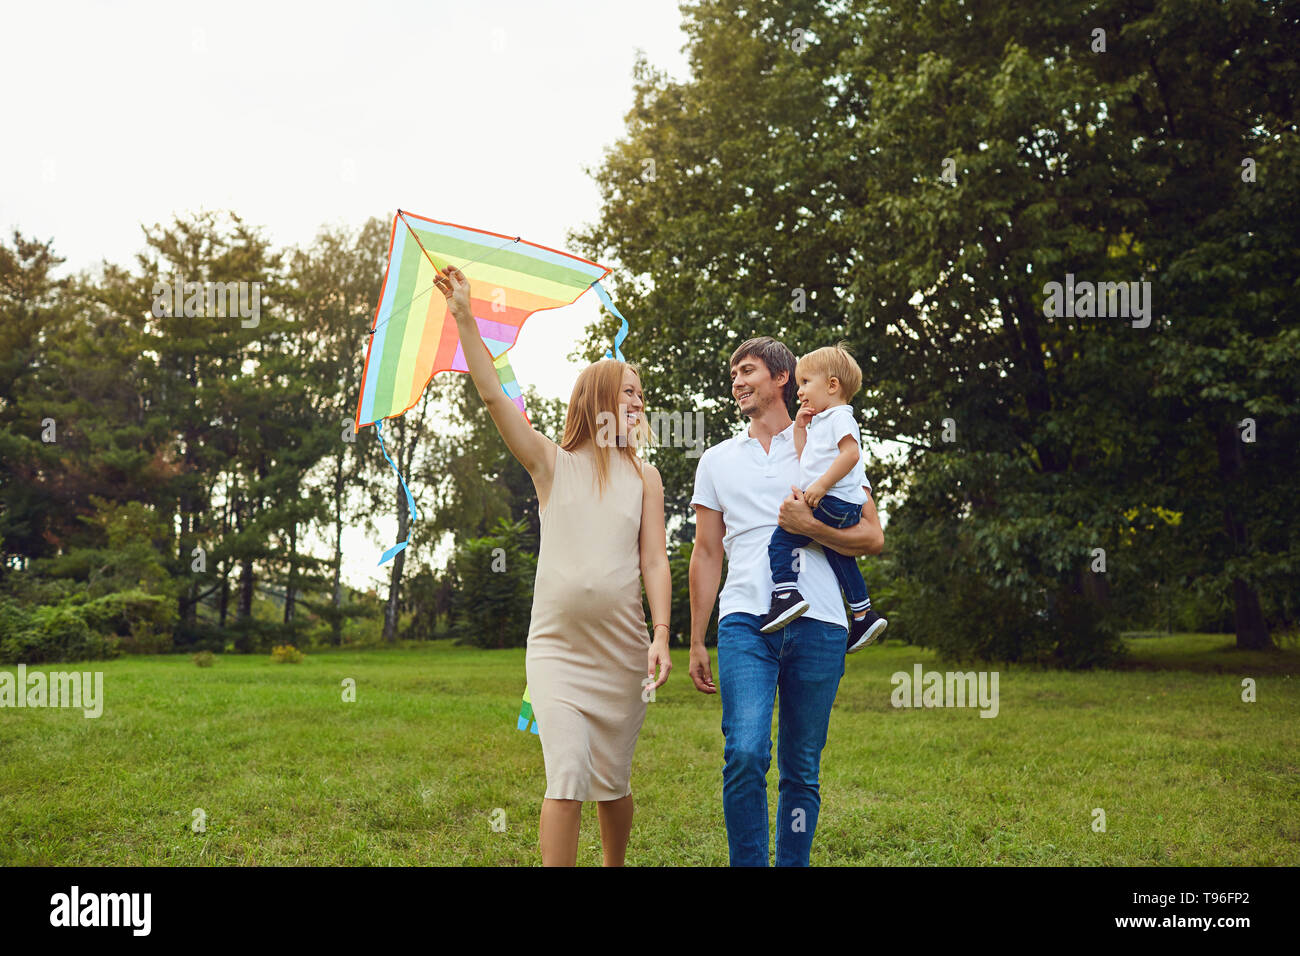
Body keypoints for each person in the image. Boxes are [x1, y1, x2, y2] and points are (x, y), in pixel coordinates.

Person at [432, 265, 672, 867]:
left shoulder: (645, 477)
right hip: (557, 650)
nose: (640, 400)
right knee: (566, 773)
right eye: (630, 390)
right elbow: (492, 394)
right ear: (596, 399)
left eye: (642, 392)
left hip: (622, 650)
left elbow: (653, 560)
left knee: (612, 782)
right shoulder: (550, 463)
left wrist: (663, 635)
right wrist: (464, 315)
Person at [688, 336, 884, 866]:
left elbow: (872, 537)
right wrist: (695, 639)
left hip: (820, 624)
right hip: (746, 622)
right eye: (732, 374)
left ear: (781, 378)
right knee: (746, 753)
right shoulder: (717, 460)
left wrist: (811, 525)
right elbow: (706, 553)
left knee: (801, 768)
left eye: (746, 370)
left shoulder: (823, 447)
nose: (736, 381)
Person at [760, 342, 888, 652]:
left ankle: (787, 594)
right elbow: (807, 459)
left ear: (832, 386)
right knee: (838, 552)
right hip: (840, 506)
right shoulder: (821, 424)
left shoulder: (840, 418)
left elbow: (852, 454)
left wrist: (820, 487)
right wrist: (801, 427)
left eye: (805, 382)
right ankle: (862, 613)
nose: (799, 391)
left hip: (834, 502)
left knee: (781, 541)